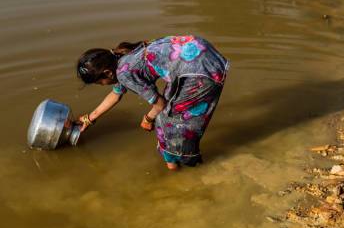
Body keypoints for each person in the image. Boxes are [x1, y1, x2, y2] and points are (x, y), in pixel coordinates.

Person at [76, 35, 229, 170]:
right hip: (199, 51)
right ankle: (174, 166)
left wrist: (148, 119)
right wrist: (89, 119)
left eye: (100, 83)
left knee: (174, 126)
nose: (103, 85)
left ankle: (190, 169)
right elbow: (116, 94)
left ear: (107, 73)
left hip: (199, 70)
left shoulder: (124, 73)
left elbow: (160, 104)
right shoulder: (122, 58)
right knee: (163, 121)